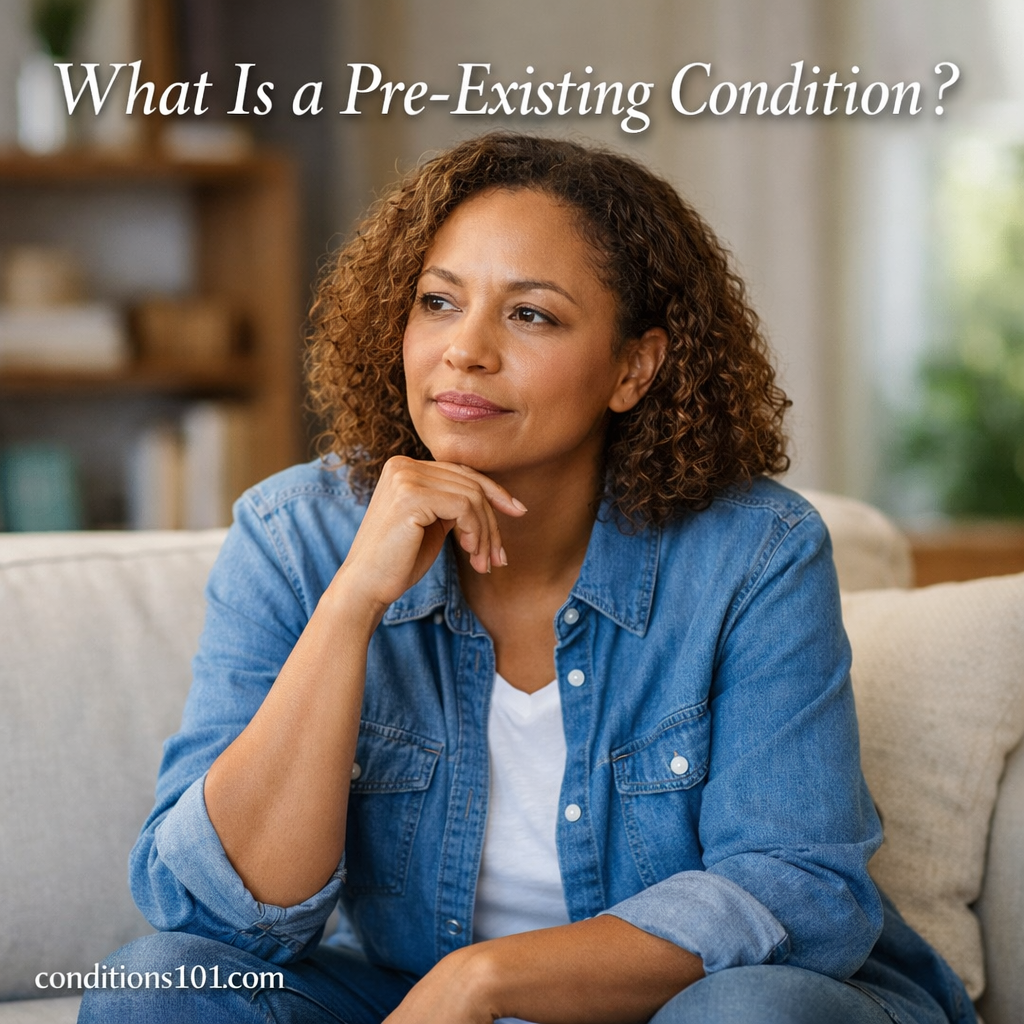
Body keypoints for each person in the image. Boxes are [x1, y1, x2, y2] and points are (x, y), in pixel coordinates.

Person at [79, 133, 974, 1024]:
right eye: (438, 302)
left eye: (531, 315)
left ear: (634, 367)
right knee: (157, 987)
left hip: (672, 1005)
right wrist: (351, 605)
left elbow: (799, 892)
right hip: (399, 992)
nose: (465, 351)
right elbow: (212, 914)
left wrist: (484, 981)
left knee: (752, 1015)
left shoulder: (753, 554)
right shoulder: (292, 537)